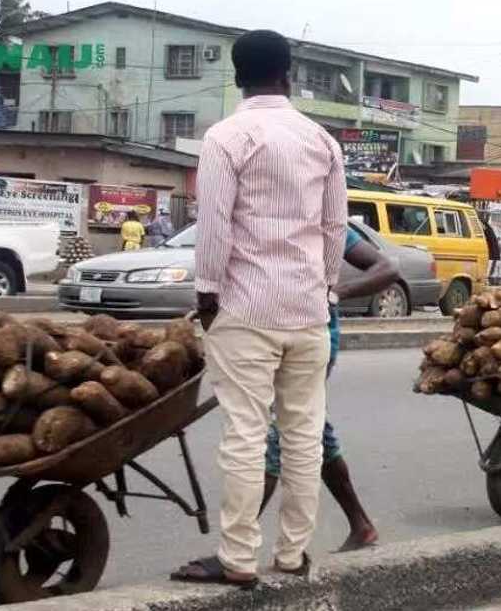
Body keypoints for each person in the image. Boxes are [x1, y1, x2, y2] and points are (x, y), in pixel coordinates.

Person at [172, 29, 347, 588]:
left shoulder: (227, 137)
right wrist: (324, 289)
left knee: (246, 434)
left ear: (237, 76)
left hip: (245, 309)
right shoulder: (322, 140)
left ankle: (238, 558)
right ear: (289, 72)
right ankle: (293, 555)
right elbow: (335, 227)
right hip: (308, 312)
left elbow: (214, 226)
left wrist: (206, 295)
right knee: (303, 434)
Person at [260, 226, 394, 551]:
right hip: (271, 334)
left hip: (313, 339)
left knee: (280, 432)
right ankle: (361, 525)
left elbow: (387, 269)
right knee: (313, 427)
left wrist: (338, 292)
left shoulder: (326, 225)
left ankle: (234, 545)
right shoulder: (264, 217)